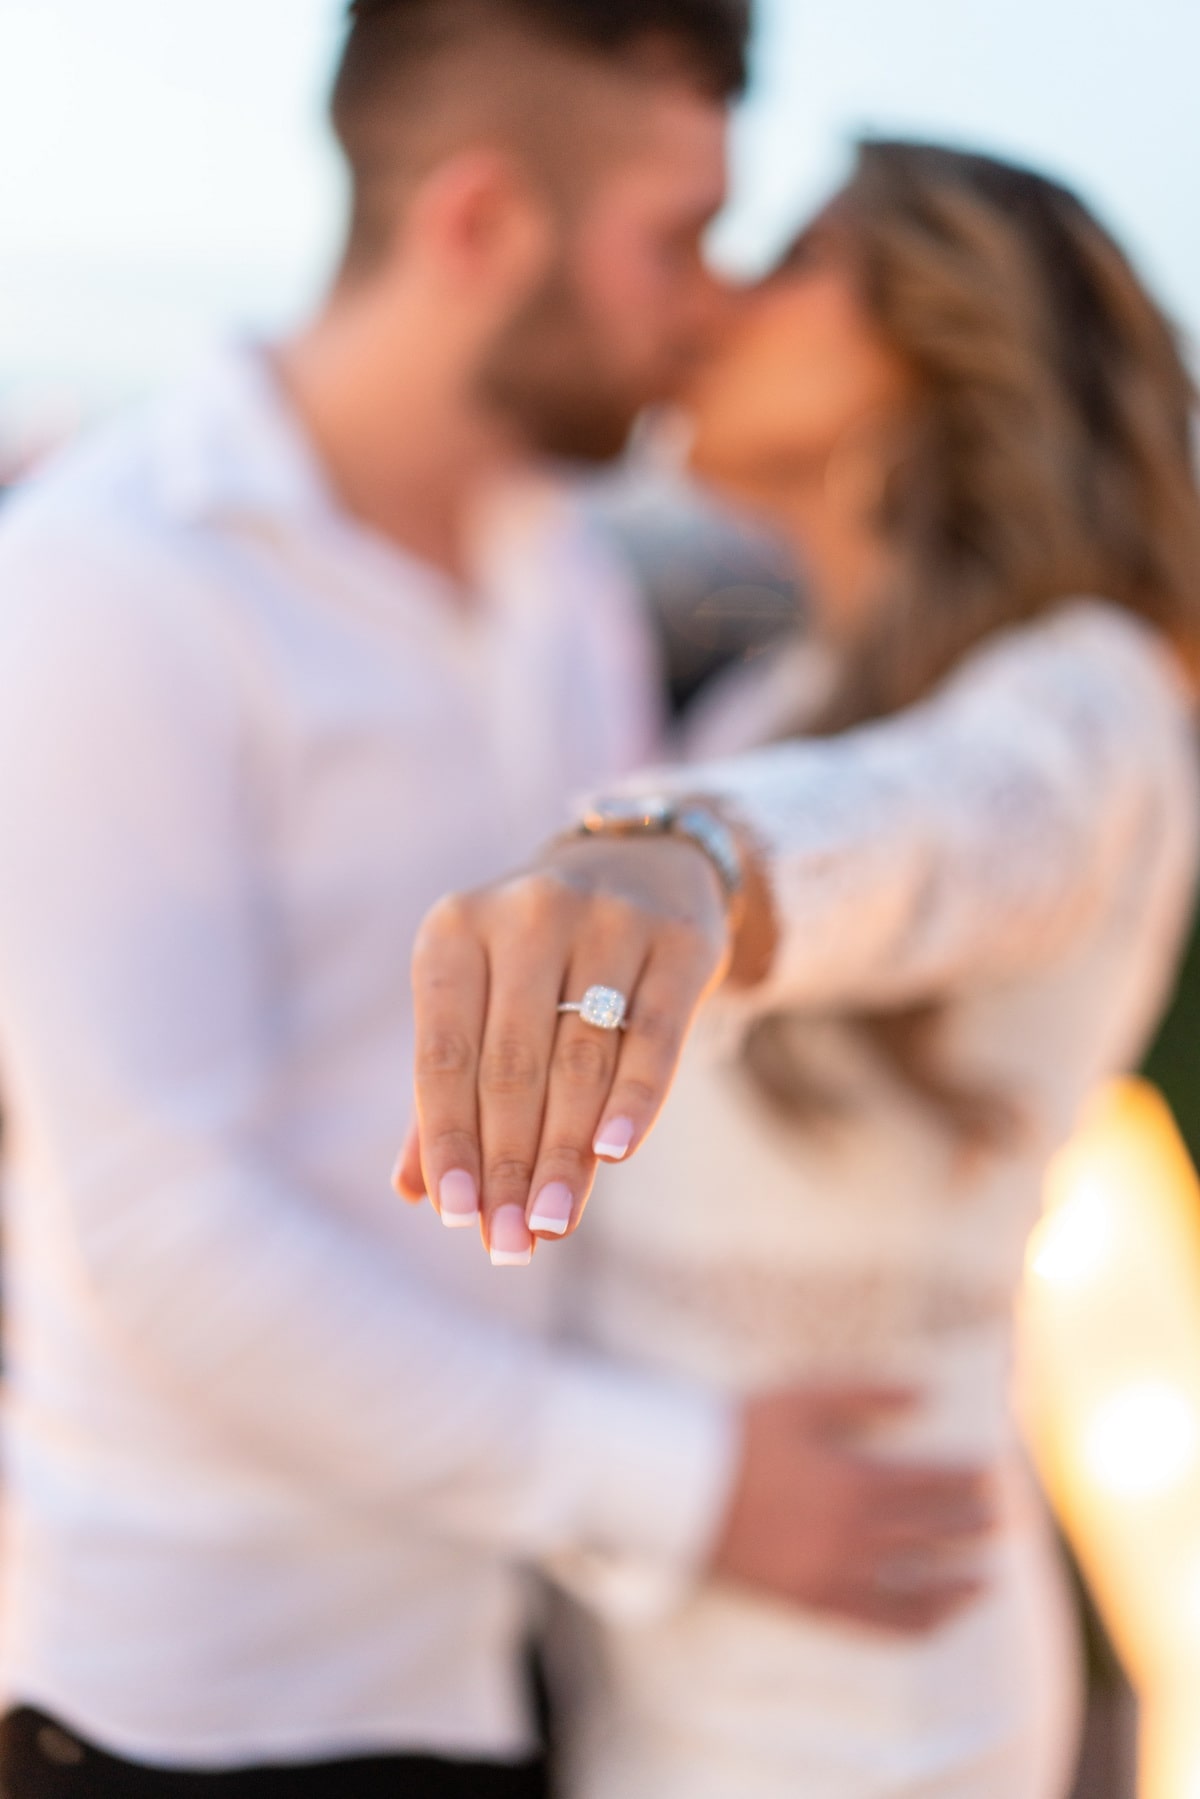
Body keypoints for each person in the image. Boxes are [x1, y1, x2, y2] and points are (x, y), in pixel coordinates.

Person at [0, 3, 894, 1794]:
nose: (704, 302)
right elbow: (165, 1232)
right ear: (480, 224)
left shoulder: (563, 579)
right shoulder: (113, 576)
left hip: (501, 1663)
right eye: (677, 235)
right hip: (199, 1710)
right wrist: (696, 1488)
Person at [400, 143, 1200, 1796]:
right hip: (649, 1672)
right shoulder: (773, 696)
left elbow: (932, 834)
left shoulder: (1091, 700)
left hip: (879, 1707)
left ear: (946, 333)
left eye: (795, 258)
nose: (721, 295)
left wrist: (682, 862)